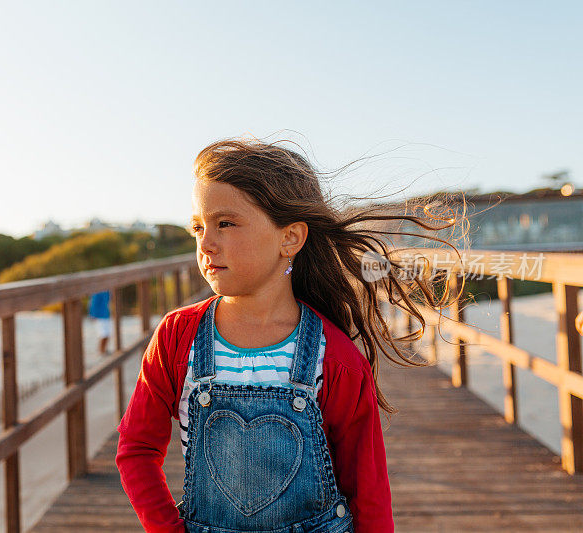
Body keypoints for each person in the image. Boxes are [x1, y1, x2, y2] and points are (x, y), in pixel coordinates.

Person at [115, 137, 459, 532]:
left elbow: (369, 490)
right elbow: (137, 449)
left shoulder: (334, 356)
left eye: (225, 223)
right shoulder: (179, 337)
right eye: (198, 226)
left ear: (290, 238)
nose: (205, 243)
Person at [88, 290, 112, 356]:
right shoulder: (98, 290)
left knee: (108, 334)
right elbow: (93, 303)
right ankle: (101, 351)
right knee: (103, 334)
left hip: (106, 315)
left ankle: (104, 349)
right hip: (99, 316)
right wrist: (92, 314)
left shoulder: (107, 291)